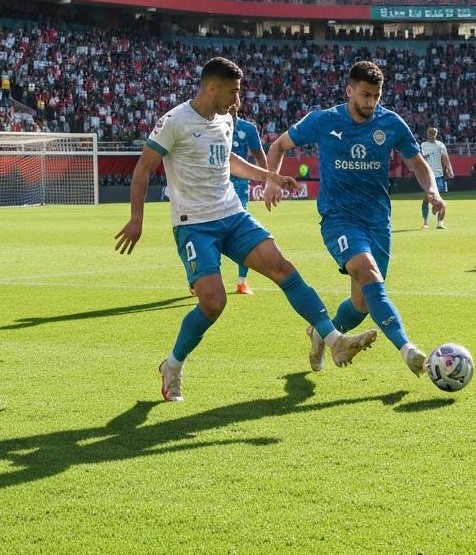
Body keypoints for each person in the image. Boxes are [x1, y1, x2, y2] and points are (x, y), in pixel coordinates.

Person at [115, 57, 378, 403]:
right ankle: (173, 366)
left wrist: (267, 176)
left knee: (283, 268)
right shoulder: (174, 121)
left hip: (232, 215)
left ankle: (334, 342)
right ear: (212, 88)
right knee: (213, 302)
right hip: (194, 225)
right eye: (233, 92)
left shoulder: (226, 118)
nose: (237, 100)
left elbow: (228, 161)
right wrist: (137, 219)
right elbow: (143, 168)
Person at [264, 60, 444, 380]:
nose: (370, 103)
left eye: (376, 96)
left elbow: (417, 163)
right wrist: (270, 180)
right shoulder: (323, 121)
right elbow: (279, 145)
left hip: (377, 221)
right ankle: (409, 351)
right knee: (368, 271)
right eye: (364, 95)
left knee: (362, 304)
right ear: (349, 91)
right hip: (339, 218)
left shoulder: (391, 124)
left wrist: (432, 190)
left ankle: (322, 334)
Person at [229, 102, 266, 295]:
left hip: (240, 188)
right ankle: (197, 281)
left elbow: (260, 156)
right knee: (206, 232)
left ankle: (242, 282)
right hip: (213, 188)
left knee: (242, 235)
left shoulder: (248, 129)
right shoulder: (209, 127)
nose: (231, 105)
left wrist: (269, 180)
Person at [419, 126, 454, 229]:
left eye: (434, 132)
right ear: (428, 134)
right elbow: (420, 159)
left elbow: (445, 158)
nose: (432, 134)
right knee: (426, 198)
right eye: (431, 132)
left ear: (436, 134)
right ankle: (425, 222)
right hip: (427, 176)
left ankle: (439, 223)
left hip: (439, 176)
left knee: (438, 199)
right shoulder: (423, 145)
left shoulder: (440, 145)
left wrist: (449, 169)